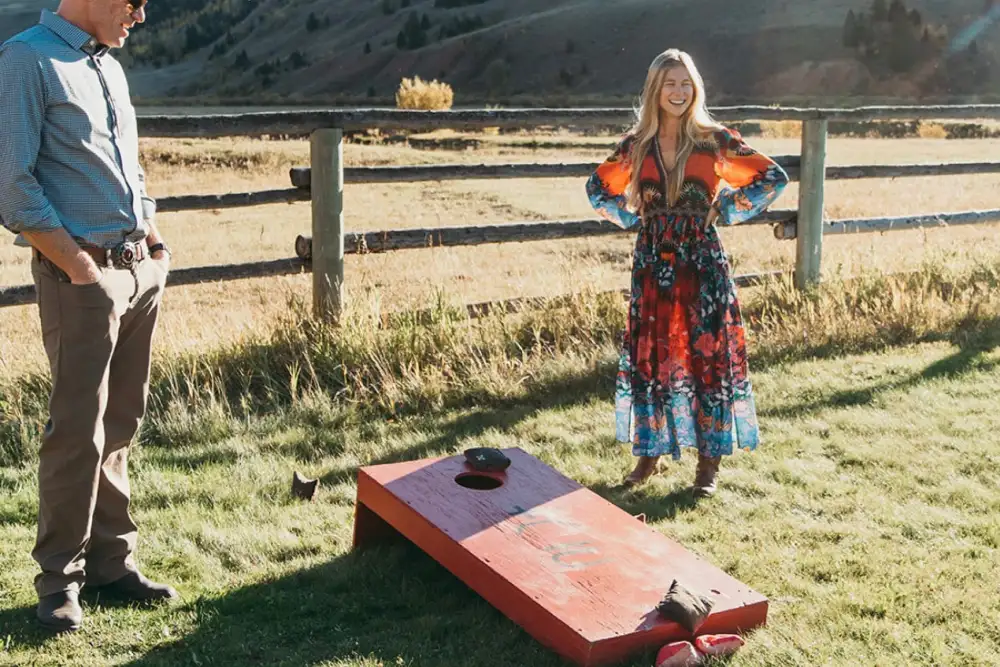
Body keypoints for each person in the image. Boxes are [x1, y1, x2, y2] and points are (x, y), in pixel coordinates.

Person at [0, 0, 177, 633]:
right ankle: (59, 583)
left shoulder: (108, 66)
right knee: (77, 432)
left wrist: (154, 247)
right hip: (86, 282)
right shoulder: (25, 60)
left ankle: (111, 564)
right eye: (136, 3)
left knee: (121, 423)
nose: (143, 15)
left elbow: (129, 167)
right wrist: (82, 270)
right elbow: (12, 185)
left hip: (139, 274)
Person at [586, 49, 788, 496]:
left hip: (702, 262)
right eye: (669, 84)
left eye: (686, 84)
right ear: (655, 90)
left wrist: (727, 207)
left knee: (706, 355)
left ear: (695, 88)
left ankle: (707, 465)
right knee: (653, 356)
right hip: (653, 264)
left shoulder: (716, 140)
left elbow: (772, 177)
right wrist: (632, 217)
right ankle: (649, 455)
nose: (678, 92)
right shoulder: (636, 146)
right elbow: (597, 187)